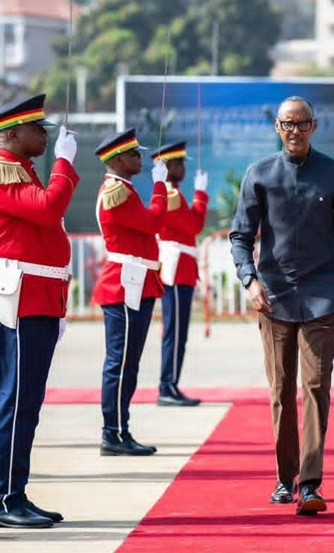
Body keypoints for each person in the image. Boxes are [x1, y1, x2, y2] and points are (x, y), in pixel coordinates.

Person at [229, 96, 334, 516]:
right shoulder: (260, 174)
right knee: (280, 390)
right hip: (273, 298)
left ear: (314, 126)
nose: (294, 131)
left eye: (302, 123)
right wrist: (249, 281)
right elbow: (239, 236)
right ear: (277, 127)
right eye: (287, 124)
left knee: (315, 388)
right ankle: (283, 475)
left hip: (323, 296)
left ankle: (309, 484)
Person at [0, 94, 78, 528]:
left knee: (24, 401)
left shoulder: (22, 170)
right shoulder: (5, 170)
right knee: (18, 401)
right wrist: (64, 165)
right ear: (13, 133)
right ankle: (7, 497)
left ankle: (14, 492)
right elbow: (48, 210)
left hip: (37, 298)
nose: (45, 135)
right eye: (37, 129)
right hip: (22, 301)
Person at [92, 128, 168, 456]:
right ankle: (113, 432)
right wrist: (162, 185)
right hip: (125, 283)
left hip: (135, 280)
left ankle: (120, 429)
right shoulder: (117, 192)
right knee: (121, 363)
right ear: (119, 159)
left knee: (129, 363)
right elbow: (152, 222)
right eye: (135, 155)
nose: (140, 158)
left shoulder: (125, 189)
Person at [152, 141, 208, 407]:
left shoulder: (173, 194)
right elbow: (195, 225)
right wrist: (200, 194)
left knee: (178, 332)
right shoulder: (171, 195)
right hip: (176, 270)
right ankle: (167, 386)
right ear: (169, 167)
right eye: (179, 164)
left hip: (182, 268)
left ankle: (170, 384)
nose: (183, 168)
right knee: (174, 333)